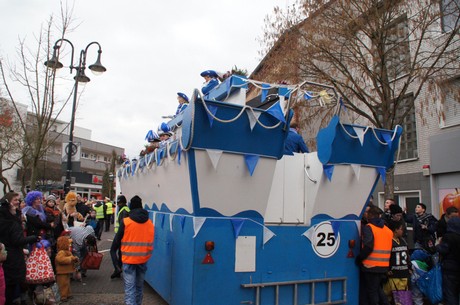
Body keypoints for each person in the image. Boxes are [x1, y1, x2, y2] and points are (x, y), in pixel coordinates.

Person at [112, 196, 154, 305]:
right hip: (143, 259)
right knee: (139, 288)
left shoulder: (126, 221)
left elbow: (117, 239)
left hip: (128, 259)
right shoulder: (149, 223)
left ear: (131, 206)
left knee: (130, 289)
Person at [0, 194, 38, 305]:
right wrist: (33, 238)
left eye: (18, 200)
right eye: (15, 200)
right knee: (9, 286)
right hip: (12, 258)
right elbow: (17, 240)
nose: (18, 202)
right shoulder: (11, 222)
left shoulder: (7, 219)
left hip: (8, 255)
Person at [356, 206, 393, 305]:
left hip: (370, 265)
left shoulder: (369, 227)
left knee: (372, 292)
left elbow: (368, 245)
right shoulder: (388, 230)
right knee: (378, 289)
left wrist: (359, 258)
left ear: (371, 215)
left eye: (367, 213)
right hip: (383, 265)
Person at [383, 220, 410, 304]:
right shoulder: (388, 241)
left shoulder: (403, 241)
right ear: (395, 230)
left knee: (404, 301)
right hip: (393, 276)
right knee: (389, 299)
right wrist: (387, 270)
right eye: (401, 229)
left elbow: (407, 256)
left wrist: (409, 267)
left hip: (404, 275)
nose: (402, 231)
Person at [436, 217, 460, 305]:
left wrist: (438, 245)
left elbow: (443, 250)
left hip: (449, 269)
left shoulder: (448, 237)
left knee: (451, 294)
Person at [110, 195, 130, 279]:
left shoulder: (124, 210)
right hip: (123, 235)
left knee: (112, 250)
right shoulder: (126, 209)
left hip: (120, 235)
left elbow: (123, 225)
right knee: (120, 253)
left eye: (118, 202)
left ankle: (117, 268)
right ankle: (117, 271)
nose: (118, 204)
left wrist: (119, 237)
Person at [55, 236, 79, 302]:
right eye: (69, 244)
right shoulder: (61, 252)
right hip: (61, 272)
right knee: (63, 284)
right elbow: (60, 259)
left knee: (67, 283)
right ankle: (63, 296)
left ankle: (67, 294)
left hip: (66, 271)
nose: (70, 245)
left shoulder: (66, 252)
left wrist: (74, 259)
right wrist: (71, 258)